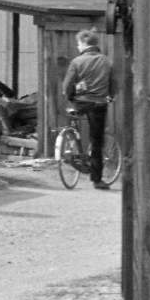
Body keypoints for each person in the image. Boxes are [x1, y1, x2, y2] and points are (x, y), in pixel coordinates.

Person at [62, 29, 115, 189]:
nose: (77, 47)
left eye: (78, 44)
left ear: (84, 44)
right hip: (98, 104)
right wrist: (110, 96)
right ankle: (96, 179)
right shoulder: (106, 61)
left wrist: (70, 97)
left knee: (73, 118)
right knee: (96, 141)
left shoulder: (77, 61)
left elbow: (67, 85)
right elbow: (113, 84)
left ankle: (73, 148)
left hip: (80, 102)